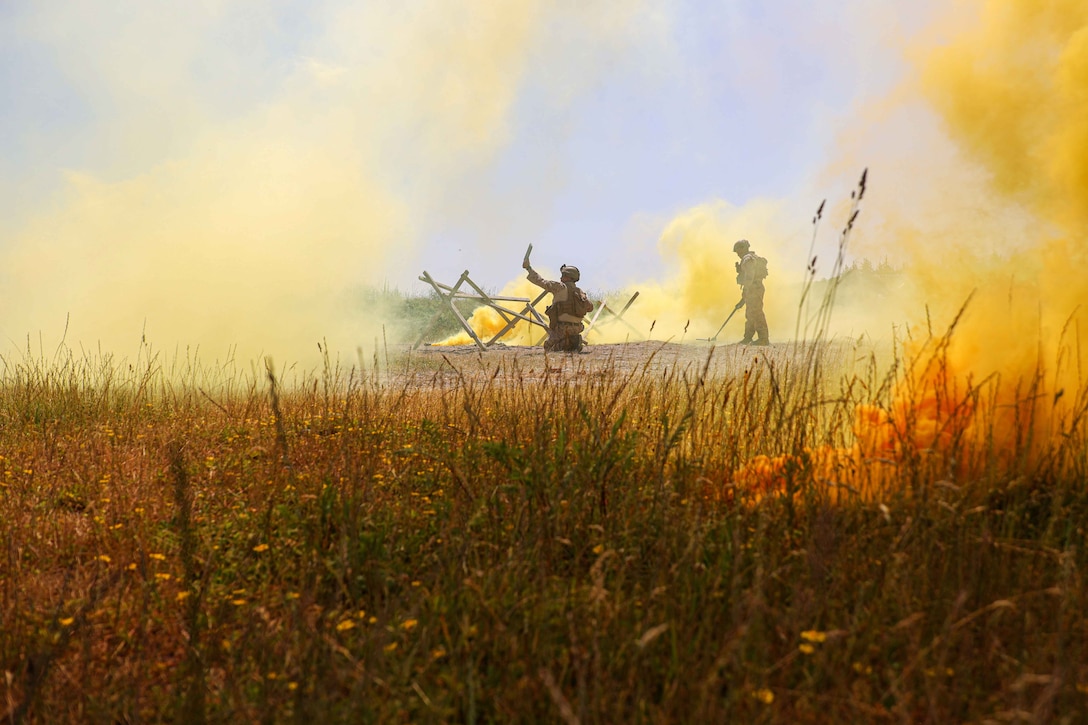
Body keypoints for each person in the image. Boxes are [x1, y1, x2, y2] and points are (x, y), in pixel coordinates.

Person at [523, 259, 593, 352]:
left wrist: (528, 268)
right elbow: (590, 308)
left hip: (562, 328)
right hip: (577, 327)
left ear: (568, 277)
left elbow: (540, 281)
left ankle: (565, 344)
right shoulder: (580, 292)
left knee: (549, 347)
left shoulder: (559, 287)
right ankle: (573, 341)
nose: (561, 278)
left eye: (563, 275)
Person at [733, 239, 770, 345]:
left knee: (756, 312)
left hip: (754, 287)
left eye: (738, 251)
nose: (738, 254)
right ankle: (748, 337)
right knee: (750, 313)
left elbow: (750, 276)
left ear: (743, 248)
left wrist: (746, 290)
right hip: (754, 287)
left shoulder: (747, 259)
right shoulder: (751, 258)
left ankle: (763, 338)